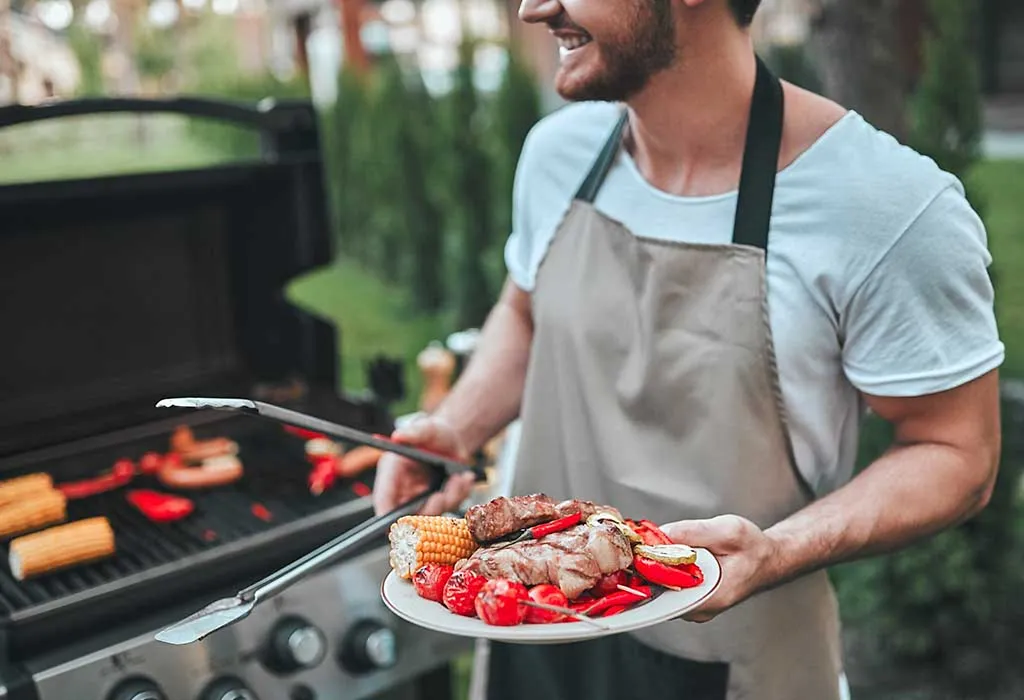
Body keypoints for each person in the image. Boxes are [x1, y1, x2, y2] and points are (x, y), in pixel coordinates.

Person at [373, 0, 1004, 697]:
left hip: (736, 658)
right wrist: (458, 427)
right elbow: (525, 312)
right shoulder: (558, 153)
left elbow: (958, 452)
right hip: (531, 633)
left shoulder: (884, 206)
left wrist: (778, 550)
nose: (533, 8)